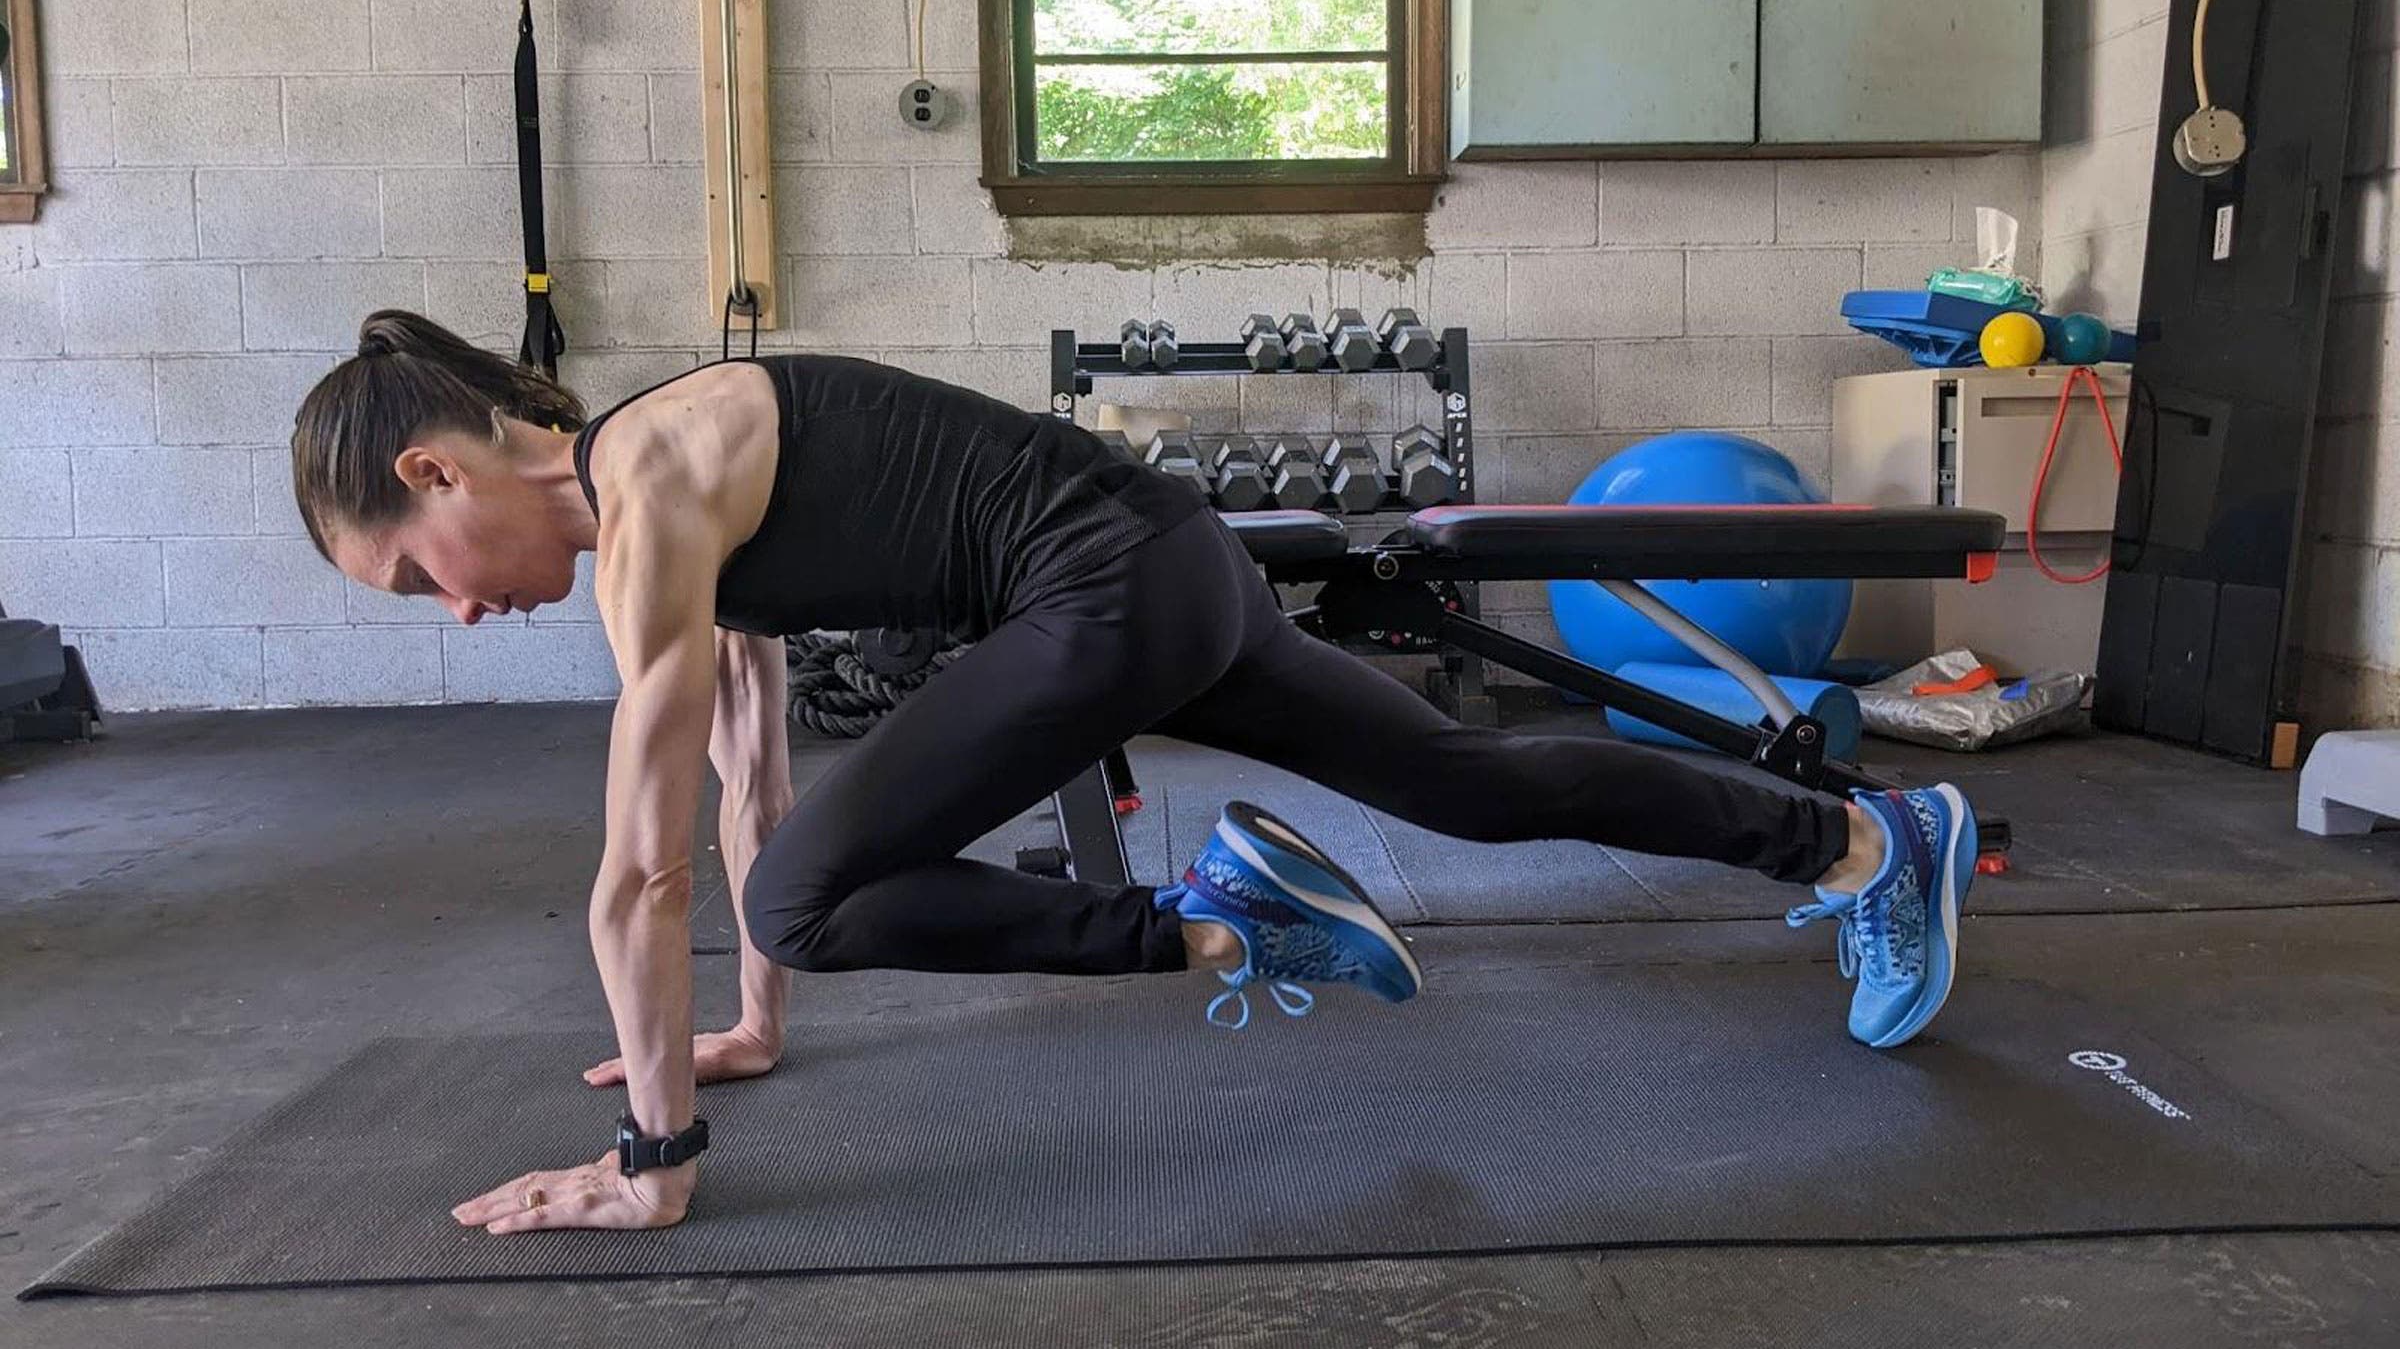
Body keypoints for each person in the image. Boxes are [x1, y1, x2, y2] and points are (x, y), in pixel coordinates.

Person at [289, 310, 1978, 1238]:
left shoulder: (650, 489)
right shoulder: (665, 500)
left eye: (414, 571)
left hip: (1106, 587)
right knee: (1474, 784)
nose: (452, 608)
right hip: (1173, 567)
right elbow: (745, 778)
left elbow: (648, 873)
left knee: (805, 901)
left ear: (434, 467)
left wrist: (649, 1164)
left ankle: (1219, 923)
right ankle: (1858, 839)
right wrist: (749, 1033)